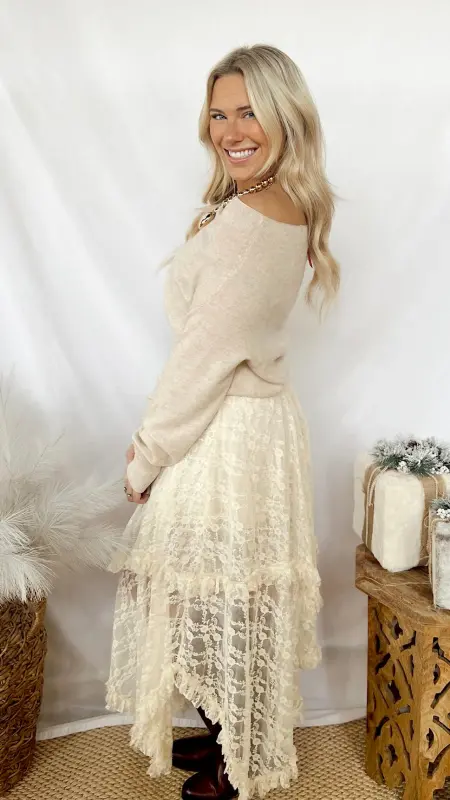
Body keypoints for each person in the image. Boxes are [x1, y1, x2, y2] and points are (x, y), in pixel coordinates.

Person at [105, 43, 340, 800]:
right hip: (254, 427)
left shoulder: (248, 224)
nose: (230, 131)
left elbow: (202, 357)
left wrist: (147, 455)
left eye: (249, 113)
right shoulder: (285, 202)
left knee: (207, 596)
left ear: (284, 117)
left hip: (225, 431)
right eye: (218, 114)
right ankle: (231, 737)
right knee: (231, 595)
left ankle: (238, 759)